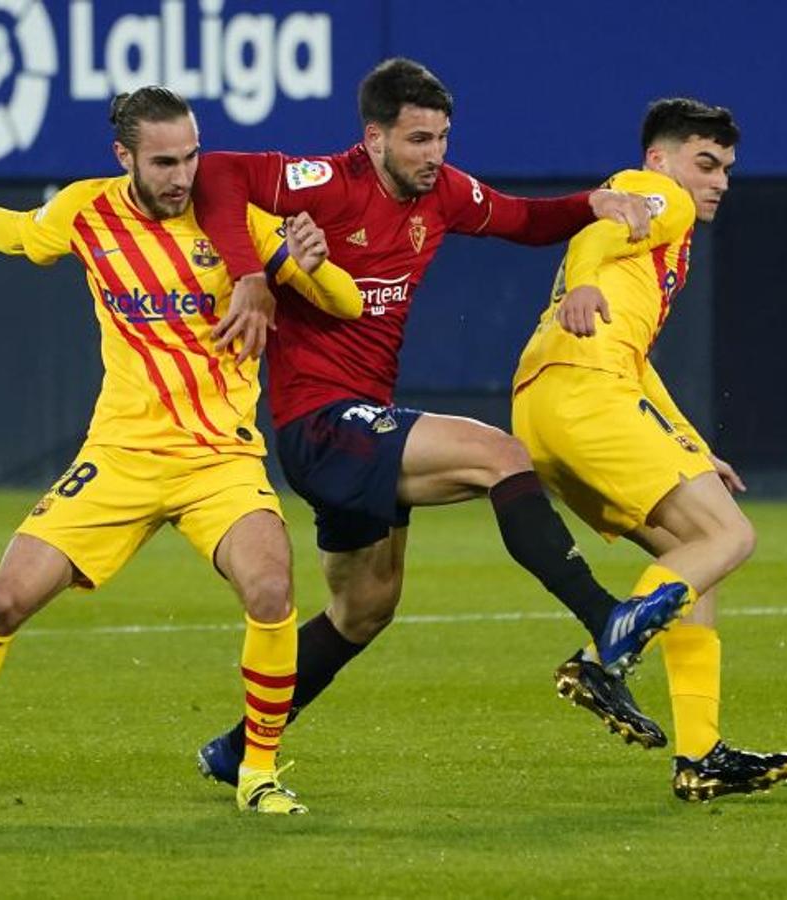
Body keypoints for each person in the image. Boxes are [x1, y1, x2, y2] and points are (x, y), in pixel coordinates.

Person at [0, 86, 364, 817]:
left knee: (270, 590)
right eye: (165, 161)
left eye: (192, 156)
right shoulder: (87, 210)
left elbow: (346, 304)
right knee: (4, 602)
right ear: (125, 157)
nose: (183, 175)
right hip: (121, 457)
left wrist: (313, 263)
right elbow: (21, 234)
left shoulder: (235, 217)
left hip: (219, 460)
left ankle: (258, 776)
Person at [189, 57, 690, 786]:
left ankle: (234, 748)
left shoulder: (445, 194)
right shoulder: (328, 183)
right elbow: (218, 177)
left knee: (364, 610)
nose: (435, 156)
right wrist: (250, 274)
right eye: (419, 139)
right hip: (319, 421)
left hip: (364, 425)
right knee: (499, 455)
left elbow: (522, 219)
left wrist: (593, 204)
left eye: (443, 138)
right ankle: (605, 618)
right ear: (374, 138)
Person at [510, 97, 787, 801]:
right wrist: (581, 281)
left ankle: (700, 755)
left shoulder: (666, 248)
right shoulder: (655, 194)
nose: (720, 181)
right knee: (732, 535)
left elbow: (638, 362)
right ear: (660, 160)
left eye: (727, 168)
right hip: (587, 393)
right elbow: (594, 234)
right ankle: (603, 656)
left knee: (696, 561)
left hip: (549, 405)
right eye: (707, 163)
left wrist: (693, 445)